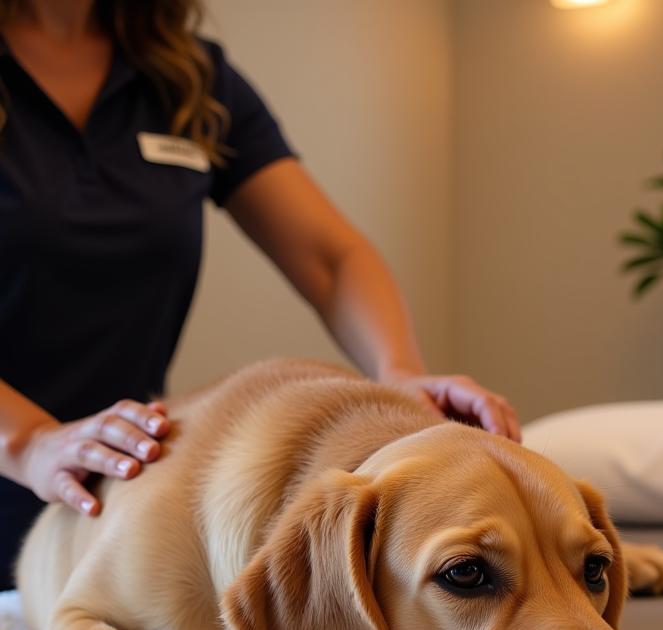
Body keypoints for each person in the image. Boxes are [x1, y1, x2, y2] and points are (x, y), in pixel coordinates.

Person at [0, 0, 520, 590]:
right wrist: (30, 442)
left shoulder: (186, 76)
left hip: (105, 495)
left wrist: (398, 372)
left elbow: (331, 257)